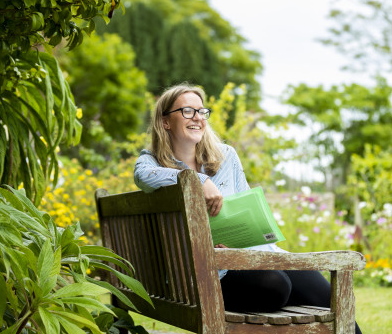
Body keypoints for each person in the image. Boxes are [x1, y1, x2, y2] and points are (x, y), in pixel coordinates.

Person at [134, 84, 362, 334]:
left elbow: (245, 203)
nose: (198, 118)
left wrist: (246, 237)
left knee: (326, 295)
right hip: (206, 272)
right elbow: (143, 175)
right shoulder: (151, 161)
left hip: (249, 254)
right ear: (166, 122)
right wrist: (200, 180)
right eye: (187, 111)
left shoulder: (226, 156)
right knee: (276, 286)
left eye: (202, 111)